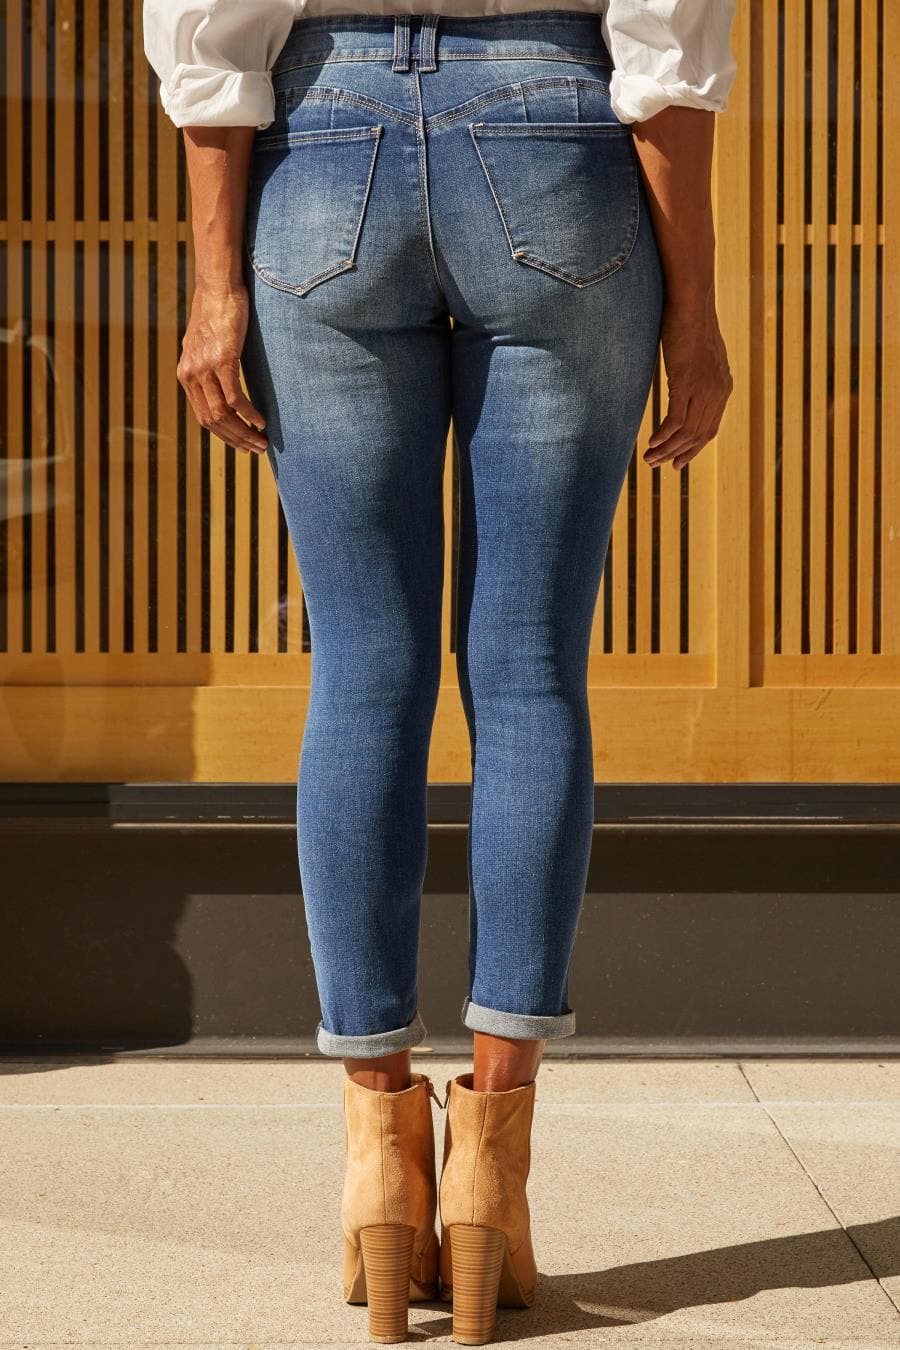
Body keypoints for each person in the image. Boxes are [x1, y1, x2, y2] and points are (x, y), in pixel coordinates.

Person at [144, 2, 736, 1342]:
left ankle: (378, 1162)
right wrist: (695, 312)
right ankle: (490, 1170)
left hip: (322, 143)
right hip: (555, 135)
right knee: (528, 670)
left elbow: (206, 27)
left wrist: (216, 286)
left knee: (362, 670)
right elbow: (667, 40)